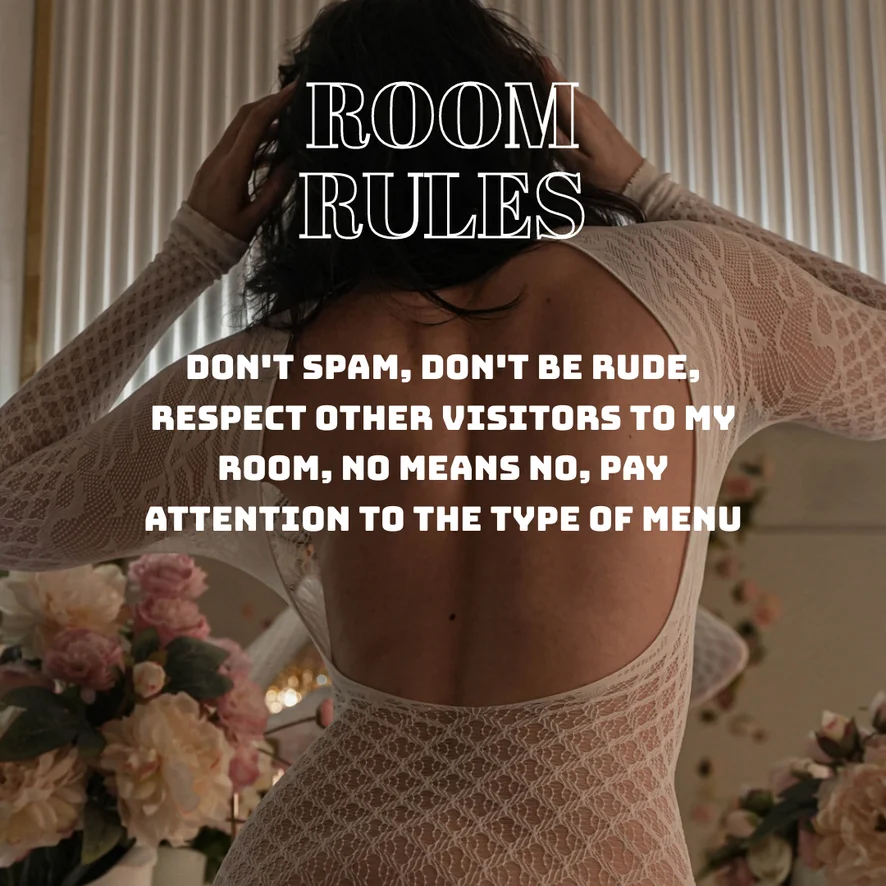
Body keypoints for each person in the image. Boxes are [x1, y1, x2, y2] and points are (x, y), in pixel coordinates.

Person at [0, 0, 883, 883]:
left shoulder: (260, 375)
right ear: (531, 123)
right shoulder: (700, 290)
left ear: (305, 168)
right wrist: (655, 190)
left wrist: (190, 253)